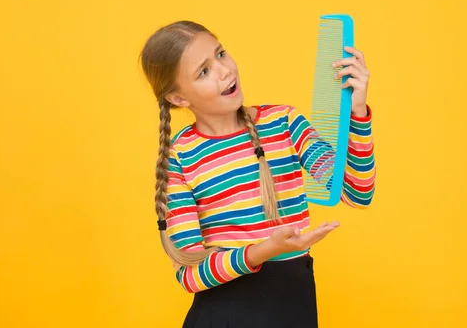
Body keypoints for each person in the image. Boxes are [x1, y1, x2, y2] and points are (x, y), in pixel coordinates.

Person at [140, 20, 376, 328]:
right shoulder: (180, 157)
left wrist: (357, 112)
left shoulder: (284, 123)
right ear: (179, 99)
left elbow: (356, 192)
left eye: (221, 54)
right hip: (223, 316)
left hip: (294, 310)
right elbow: (190, 274)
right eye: (204, 71)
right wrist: (264, 250)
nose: (225, 70)